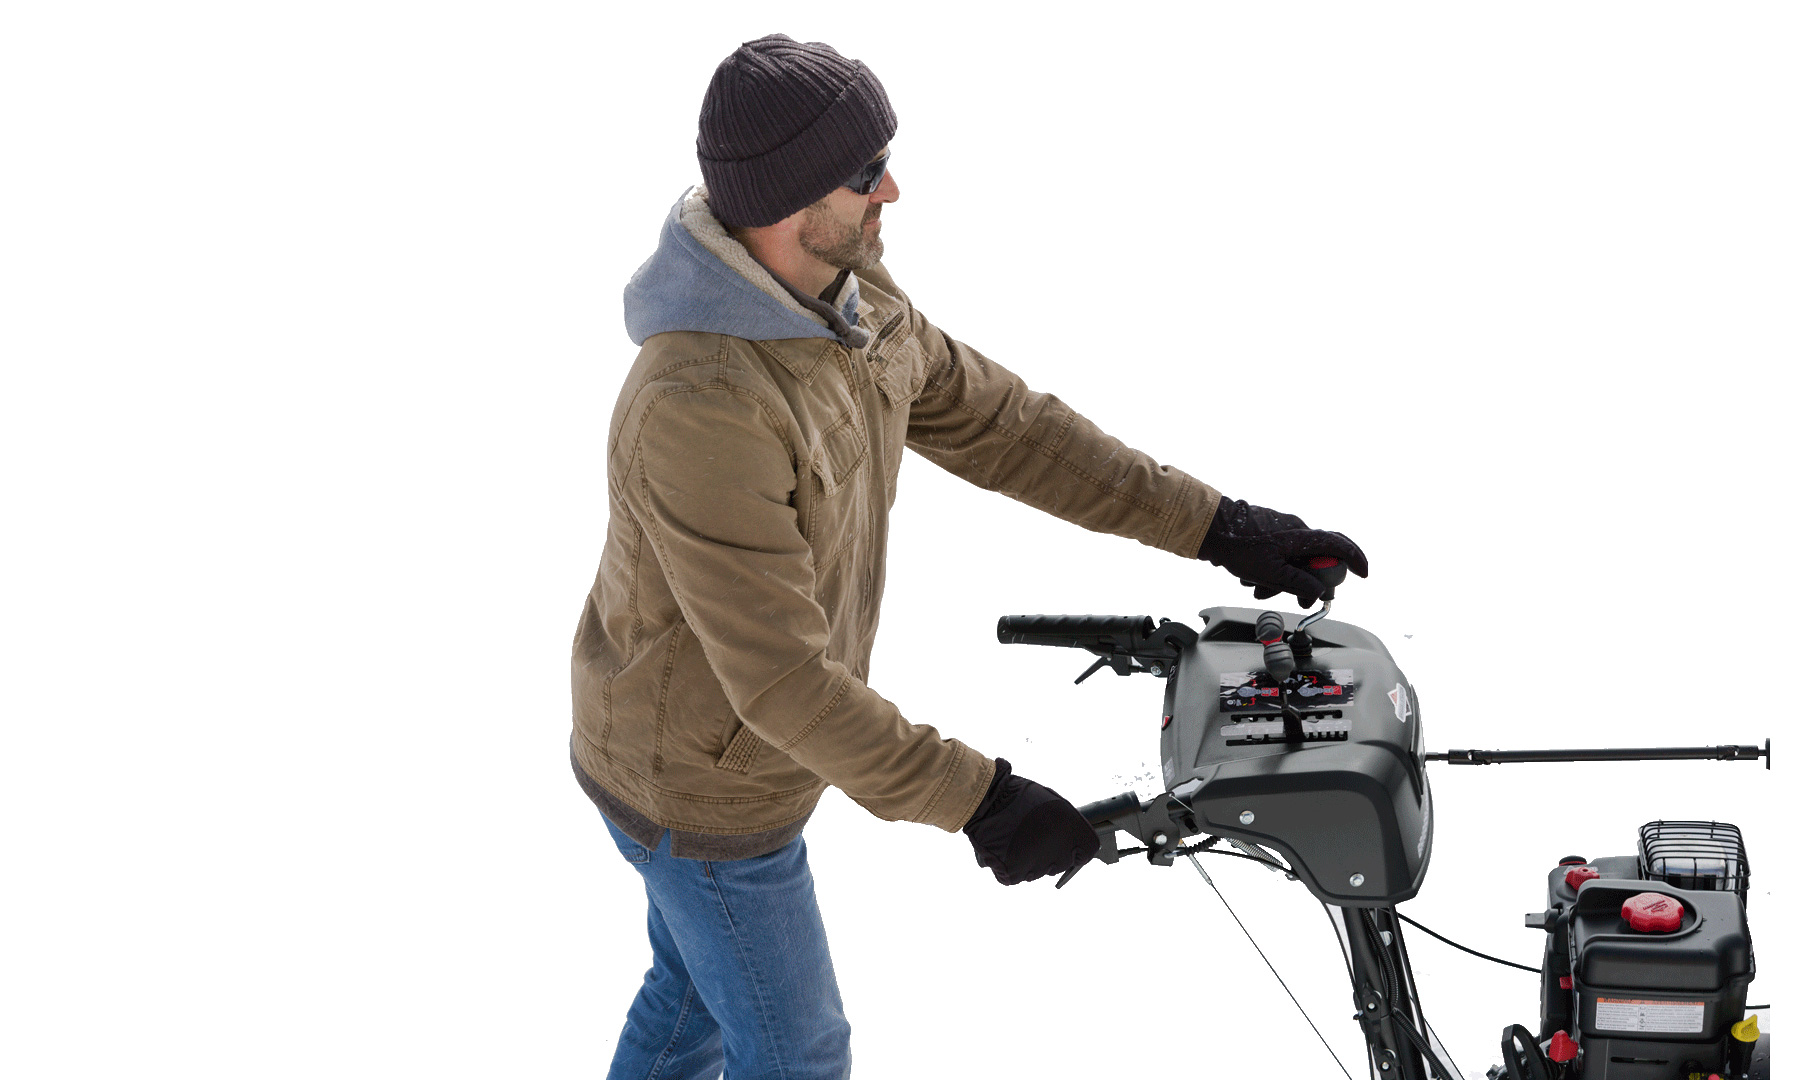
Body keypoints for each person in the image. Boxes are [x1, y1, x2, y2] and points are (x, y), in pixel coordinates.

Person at [570, 34, 1368, 1080]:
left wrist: (1221, 526)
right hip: (699, 787)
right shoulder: (701, 403)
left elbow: (1009, 429)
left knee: (695, 1000)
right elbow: (780, 682)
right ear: (786, 196)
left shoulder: (849, 303)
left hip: (742, 751)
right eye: (864, 175)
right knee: (798, 1050)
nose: (891, 190)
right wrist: (981, 799)